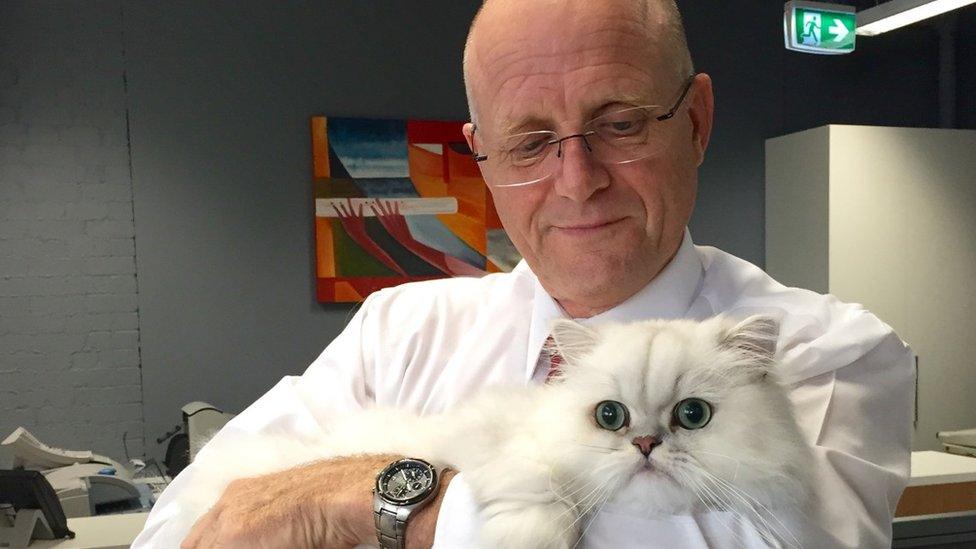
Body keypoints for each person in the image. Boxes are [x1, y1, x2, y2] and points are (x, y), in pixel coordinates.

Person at [133, 0, 913, 547]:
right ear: (480, 155)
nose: (577, 180)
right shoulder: (396, 329)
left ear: (698, 121)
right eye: (530, 142)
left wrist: (364, 500)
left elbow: (760, 539)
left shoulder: (825, 350)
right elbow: (188, 527)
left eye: (619, 123)